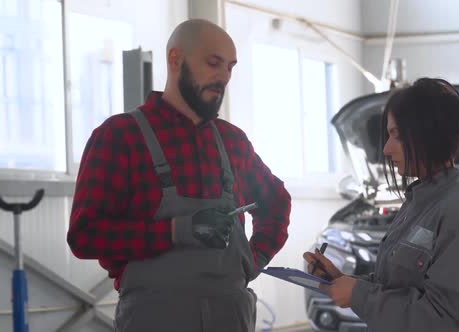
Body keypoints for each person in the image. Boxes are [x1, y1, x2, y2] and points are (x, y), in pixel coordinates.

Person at [67, 19, 291, 332]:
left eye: (230, 67)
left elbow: (276, 201)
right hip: (155, 318)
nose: (223, 77)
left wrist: (253, 260)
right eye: (213, 63)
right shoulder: (119, 136)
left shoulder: (232, 141)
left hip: (231, 315)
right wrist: (174, 231)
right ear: (176, 59)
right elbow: (85, 235)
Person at [304, 78, 459, 332]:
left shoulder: (458, 209)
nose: (386, 149)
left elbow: (445, 316)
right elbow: (399, 286)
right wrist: (344, 281)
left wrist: (360, 295)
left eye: (397, 136)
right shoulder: (418, 203)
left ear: (428, 135)